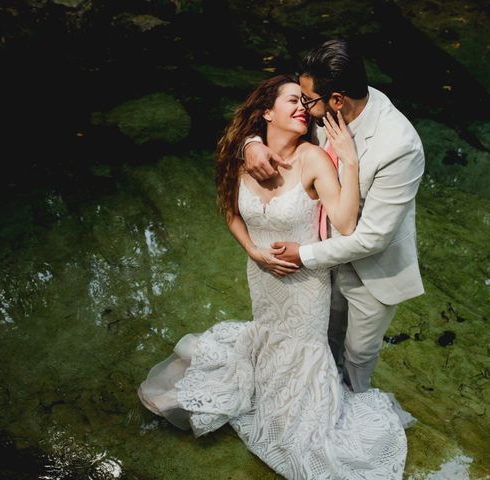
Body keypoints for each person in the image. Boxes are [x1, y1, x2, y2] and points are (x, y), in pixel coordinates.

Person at [138, 73, 408, 479]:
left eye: (305, 101)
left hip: (305, 282)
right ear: (266, 112)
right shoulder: (241, 155)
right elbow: (230, 213)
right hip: (260, 275)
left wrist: (348, 159)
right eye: (292, 101)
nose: (303, 107)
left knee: (304, 351)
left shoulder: (314, 157)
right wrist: (252, 251)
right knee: (265, 334)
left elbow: (347, 223)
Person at [243, 39, 425, 394]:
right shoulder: (327, 108)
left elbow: (373, 238)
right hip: (323, 261)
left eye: (308, 100)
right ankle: (321, 398)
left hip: (374, 270)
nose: (304, 107)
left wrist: (303, 255)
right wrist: (251, 143)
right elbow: (271, 124)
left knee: (358, 353)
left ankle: (356, 407)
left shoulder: (399, 146)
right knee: (322, 338)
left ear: (338, 100)